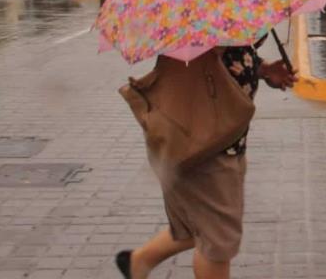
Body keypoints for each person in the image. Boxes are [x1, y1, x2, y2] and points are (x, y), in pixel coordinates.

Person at [116, 46, 297, 279]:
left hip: (224, 146)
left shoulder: (219, 29)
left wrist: (262, 69)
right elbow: (199, 74)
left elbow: (233, 64)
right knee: (218, 242)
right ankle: (138, 262)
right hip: (205, 153)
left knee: (199, 228)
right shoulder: (195, 35)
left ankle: (138, 262)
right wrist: (218, 51)